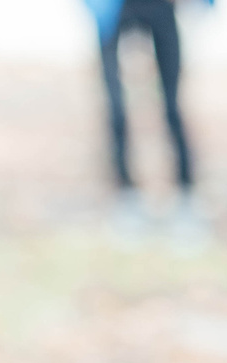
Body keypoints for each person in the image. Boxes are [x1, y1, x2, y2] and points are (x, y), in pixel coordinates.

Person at [88, 0, 208, 244]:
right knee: (116, 107)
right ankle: (126, 196)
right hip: (113, 8)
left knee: (172, 106)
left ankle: (186, 196)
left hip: (160, 6)